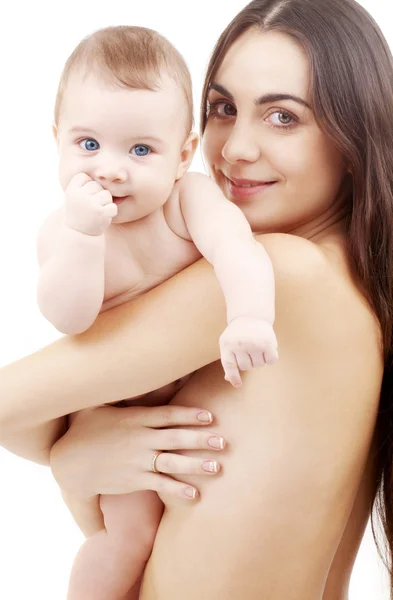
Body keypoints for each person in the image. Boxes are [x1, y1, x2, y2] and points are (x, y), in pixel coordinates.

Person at [0, 0, 392, 598]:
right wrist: (81, 455)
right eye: (223, 109)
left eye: (283, 117)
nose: (234, 148)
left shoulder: (282, 277)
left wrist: (71, 460)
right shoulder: (345, 288)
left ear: (353, 137)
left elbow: (11, 403)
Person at [36, 24, 278, 599]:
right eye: (87, 145)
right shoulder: (64, 231)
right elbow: (67, 318)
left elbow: (238, 248)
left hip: (197, 400)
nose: (110, 170)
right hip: (115, 414)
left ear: (183, 155)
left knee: (194, 528)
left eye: (140, 150)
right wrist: (83, 237)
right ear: (57, 140)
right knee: (129, 535)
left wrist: (250, 317)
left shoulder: (187, 200)